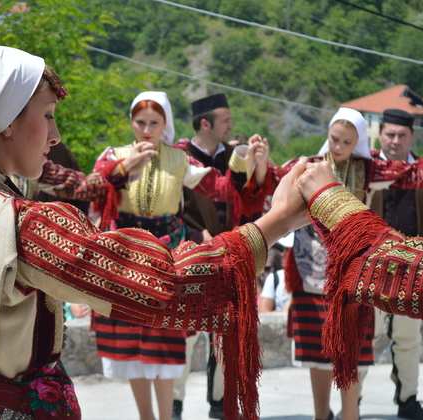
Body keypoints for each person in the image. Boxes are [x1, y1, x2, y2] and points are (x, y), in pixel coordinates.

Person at [0, 45, 307, 420]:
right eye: (48, 114)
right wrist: (277, 221)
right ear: (5, 122)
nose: (56, 136)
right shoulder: (19, 222)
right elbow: (165, 284)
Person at [90, 91, 265, 420]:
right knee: (132, 345)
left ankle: (168, 415)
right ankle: (146, 416)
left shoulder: (180, 159)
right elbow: (96, 187)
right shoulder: (115, 155)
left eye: (154, 123)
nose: (146, 129)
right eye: (140, 122)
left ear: (165, 124)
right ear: (131, 122)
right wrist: (125, 167)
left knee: (166, 339)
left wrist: (247, 160)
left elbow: (222, 189)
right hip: (126, 257)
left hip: (167, 258)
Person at [273, 107, 423, 420]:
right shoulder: (308, 167)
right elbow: (271, 180)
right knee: (317, 350)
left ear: (357, 143)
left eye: (346, 141)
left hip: (359, 270)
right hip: (310, 268)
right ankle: (323, 414)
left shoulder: (369, 170)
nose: (338, 146)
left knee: (356, 345)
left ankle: (362, 411)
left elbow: (405, 172)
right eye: (334, 139)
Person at [172, 93, 271, 420]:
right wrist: (194, 235)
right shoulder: (178, 156)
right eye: (226, 120)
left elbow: (251, 201)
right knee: (184, 334)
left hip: (228, 255)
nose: (232, 125)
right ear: (205, 124)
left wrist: (259, 164)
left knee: (225, 331)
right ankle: (174, 403)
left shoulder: (234, 156)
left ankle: (219, 402)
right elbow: (172, 208)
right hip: (190, 254)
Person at [366, 109, 423, 419]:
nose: (395, 140)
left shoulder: (422, 173)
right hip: (371, 269)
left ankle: (408, 399)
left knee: (407, 339)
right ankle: (354, 399)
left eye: (402, 135)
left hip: (412, 271)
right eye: (390, 134)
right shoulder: (368, 169)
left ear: (411, 138)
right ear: (380, 135)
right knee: (364, 335)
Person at [258, 248, 289, 312]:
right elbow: (264, 311)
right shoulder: (274, 278)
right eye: (260, 267)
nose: (262, 272)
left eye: (267, 268)